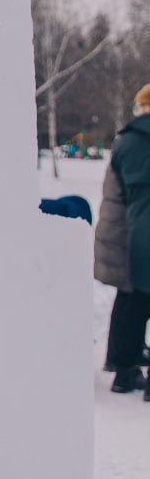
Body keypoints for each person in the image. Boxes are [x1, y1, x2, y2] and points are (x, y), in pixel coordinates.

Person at [98, 84, 150, 395]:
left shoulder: (126, 142)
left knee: (132, 300)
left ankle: (123, 368)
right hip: (138, 227)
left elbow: (117, 194)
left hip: (132, 233)